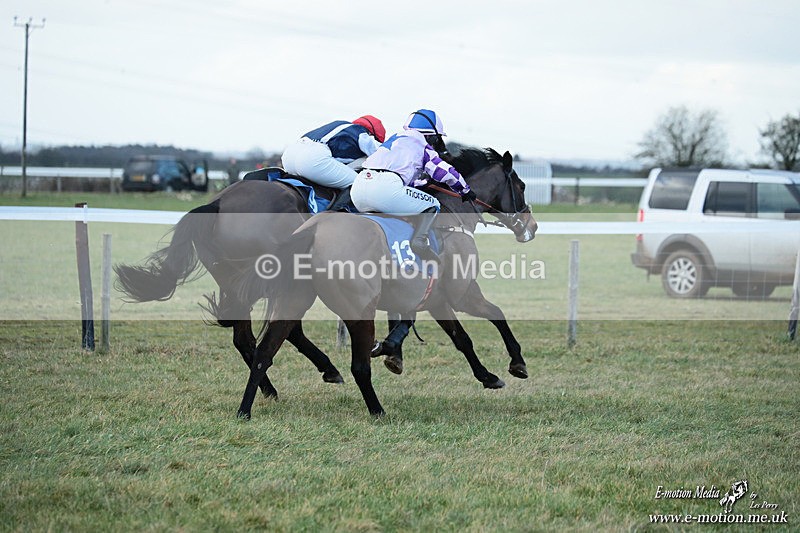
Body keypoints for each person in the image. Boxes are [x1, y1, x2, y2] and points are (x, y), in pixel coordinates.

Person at [351, 109, 476, 262]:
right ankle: (419, 242)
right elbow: (444, 171)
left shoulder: (395, 139)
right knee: (433, 204)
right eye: (435, 139)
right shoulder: (421, 145)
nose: (435, 143)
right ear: (429, 135)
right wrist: (464, 189)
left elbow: (400, 174)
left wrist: (421, 183)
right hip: (384, 189)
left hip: (358, 187)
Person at [281, 115, 386, 191]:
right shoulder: (362, 133)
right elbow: (382, 155)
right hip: (312, 159)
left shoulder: (340, 125)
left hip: (289, 155)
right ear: (372, 134)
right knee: (360, 186)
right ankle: (334, 214)